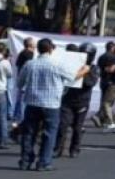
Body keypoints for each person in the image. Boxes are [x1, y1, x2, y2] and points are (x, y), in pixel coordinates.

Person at [16, 38, 90, 171]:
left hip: (32, 103)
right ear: (51, 49)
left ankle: (25, 161)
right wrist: (84, 70)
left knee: (29, 133)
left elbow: (19, 83)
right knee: (49, 134)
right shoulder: (57, 65)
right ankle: (43, 162)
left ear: (38, 49)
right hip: (52, 104)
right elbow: (72, 77)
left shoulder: (29, 64)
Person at [54, 43, 100, 159]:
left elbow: (90, 83)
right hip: (67, 100)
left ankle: (74, 149)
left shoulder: (93, 68)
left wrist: (84, 72)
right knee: (62, 125)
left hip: (82, 101)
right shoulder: (72, 64)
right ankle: (58, 148)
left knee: (77, 128)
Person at [92, 41, 115, 128]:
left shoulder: (101, 57)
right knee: (108, 102)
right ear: (112, 48)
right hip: (111, 81)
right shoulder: (114, 57)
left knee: (103, 100)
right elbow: (114, 70)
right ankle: (98, 115)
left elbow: (99, 68)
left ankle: (102, 119)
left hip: (103, 80)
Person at [0, 44, 14, 149]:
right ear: (3, 51)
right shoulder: (5, 62)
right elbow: (10, 75)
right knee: (2, 118)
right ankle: (2, 141)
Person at [12, 36, 35, 124]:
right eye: (33, 42)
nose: (35, 44)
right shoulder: (28, 54)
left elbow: (18, 65)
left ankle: (16, 117)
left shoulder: (23, 53)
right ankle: (20, 119)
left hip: (22, 79)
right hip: (26, 80)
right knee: (22, 101)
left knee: (20, 100)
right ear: (30, 44)